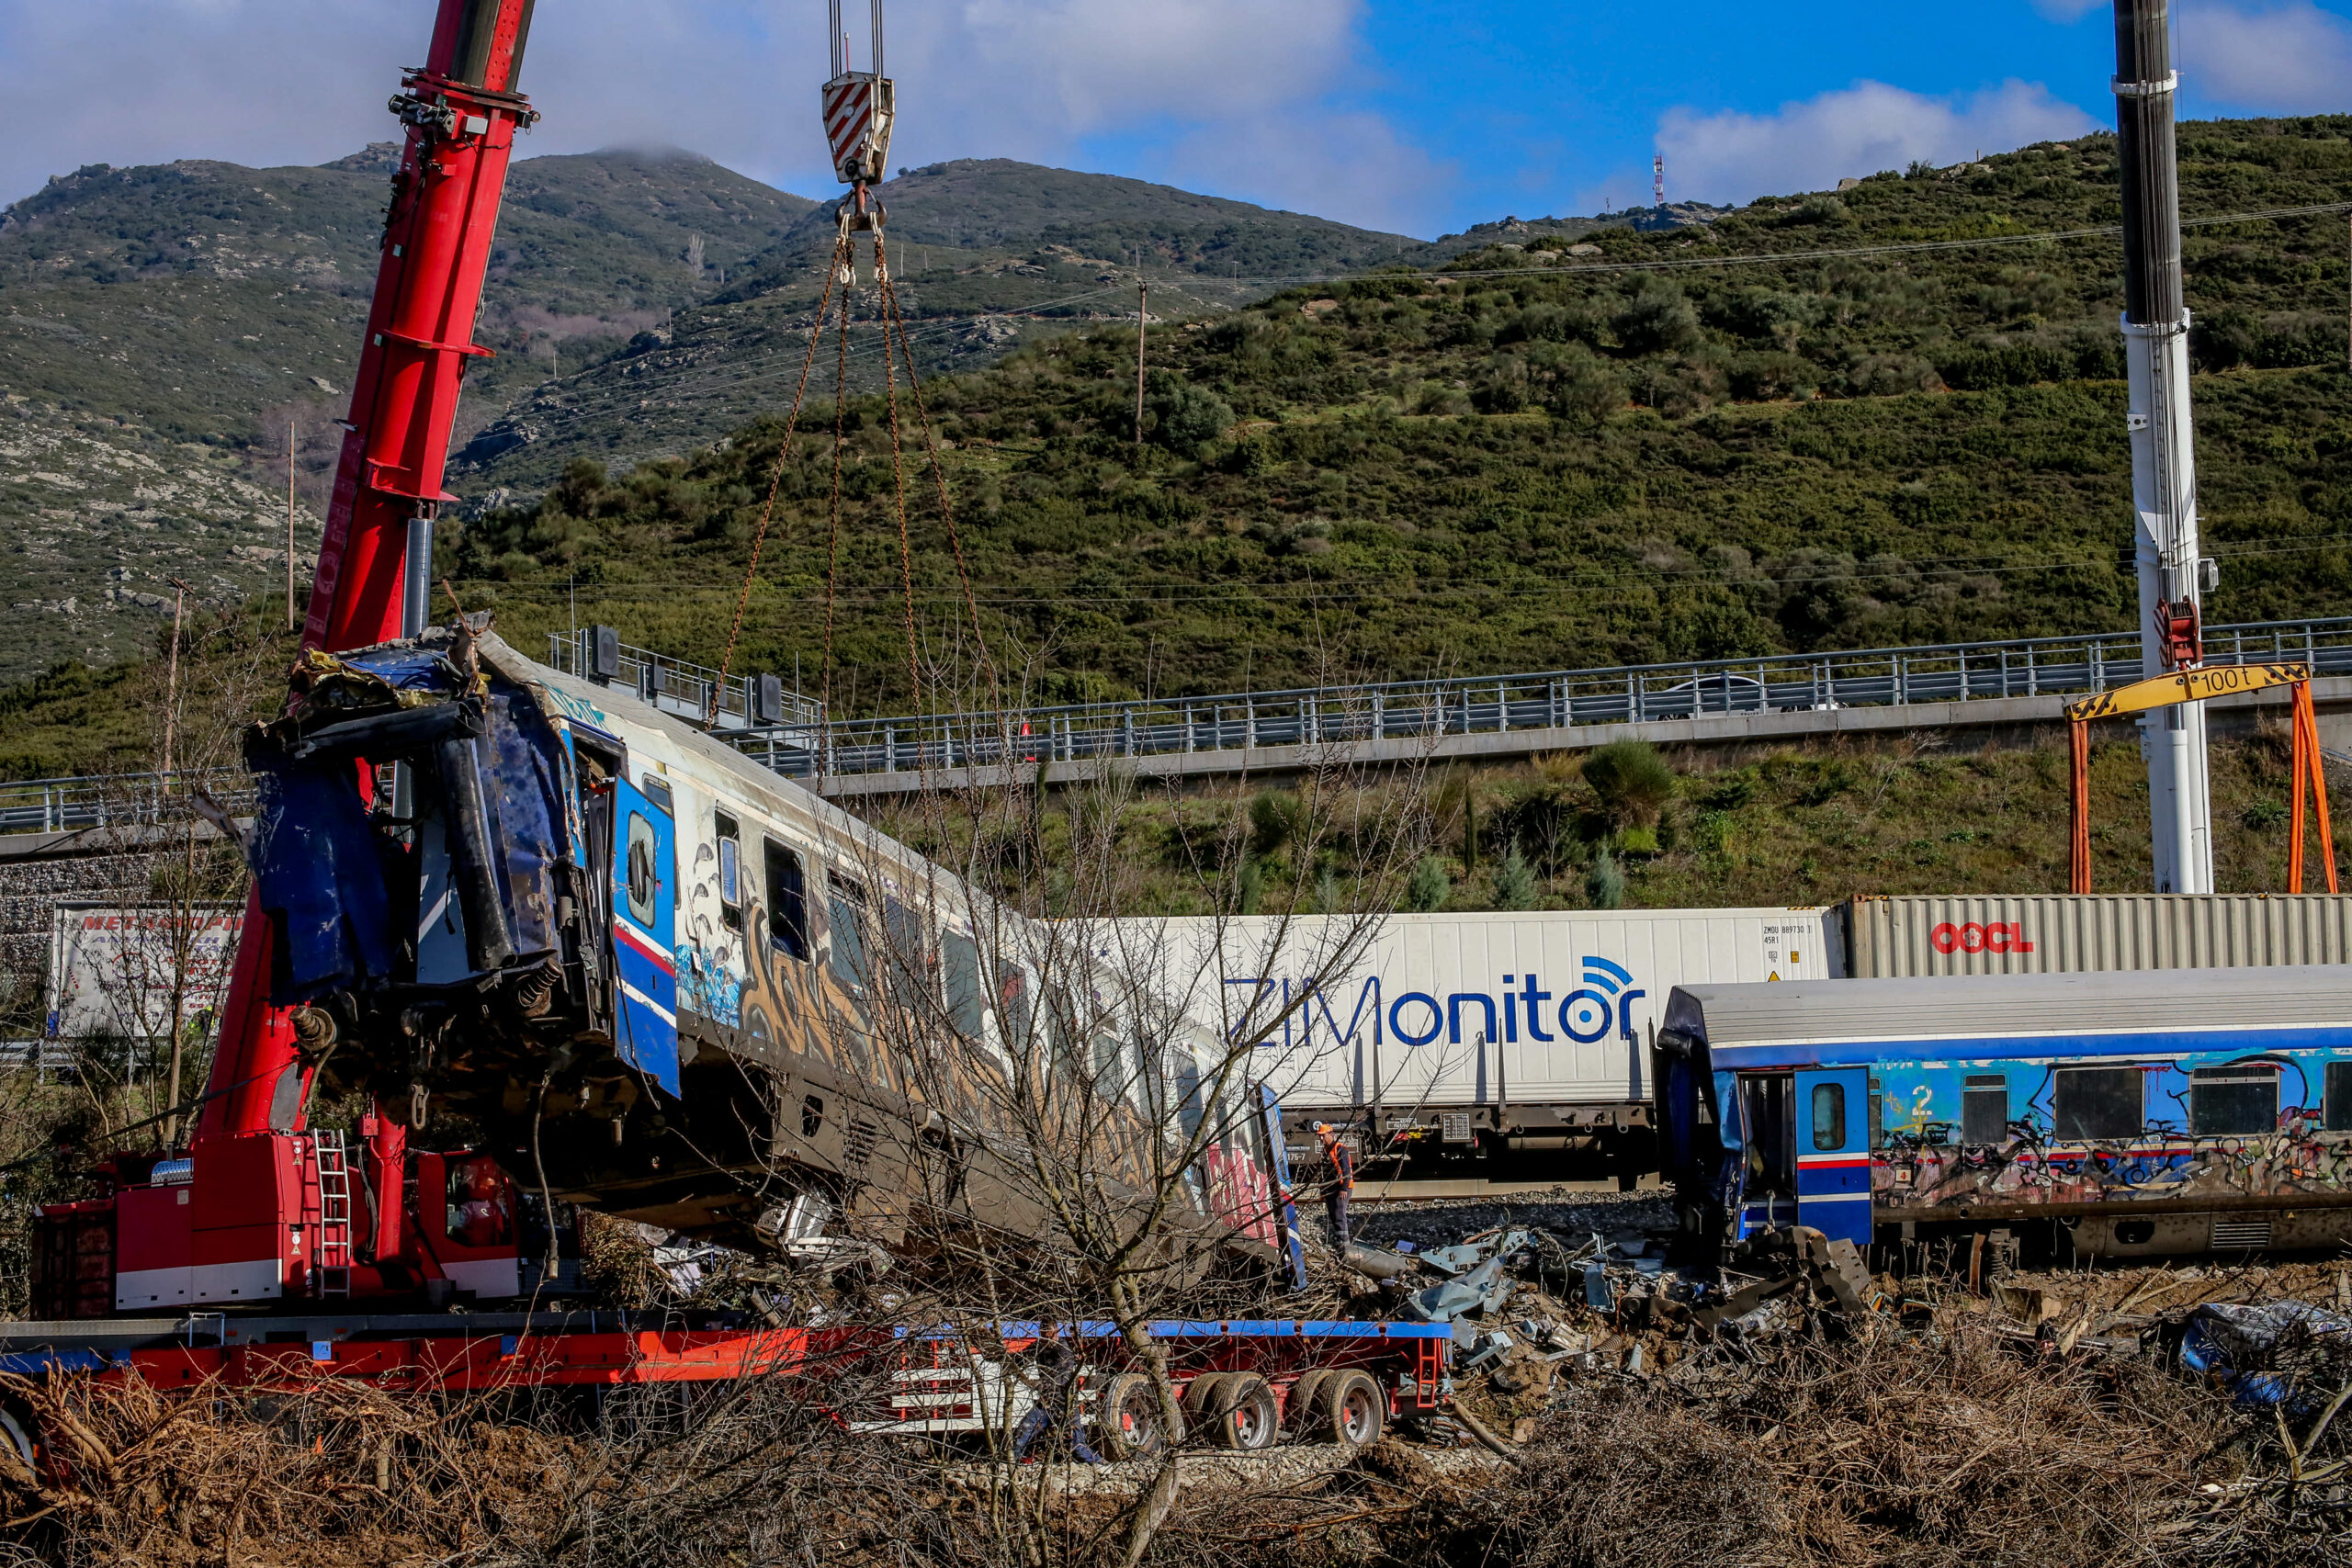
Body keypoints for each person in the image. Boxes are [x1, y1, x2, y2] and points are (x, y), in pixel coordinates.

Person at [1011, 1334, 1104, 1464]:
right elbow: (1018, 1360)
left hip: (1065, 1404)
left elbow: (1061, 1377)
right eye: (1044, 1336)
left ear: (1056, 1333)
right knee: (1023, 1431)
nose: (1047, 1340)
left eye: (1050, 1336)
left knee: (1078, 1445)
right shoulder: (1039, 1346)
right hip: (1046, 1402)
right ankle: (1010, 1462)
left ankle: (1100, 1463)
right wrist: (1002, 1357)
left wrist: (1041, 1384)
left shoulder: (1064, 1350)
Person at [1313, 1122, 1356, 1250]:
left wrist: (1344, 1189)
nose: (1321, 1139)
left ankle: (1345, 1243)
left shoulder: (1340, 1149)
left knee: (1339, 1213)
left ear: (1331, 1134)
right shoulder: (1325, 1151)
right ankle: (1340, 1240)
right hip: (1330, 1188)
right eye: (1319, 1136)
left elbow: (1346, 1170)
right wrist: (1323, 1191)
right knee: (1333, 1214)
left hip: (1342, 1187)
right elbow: (1323, 1173)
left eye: (1323, 1135)